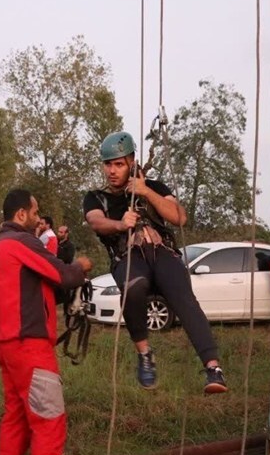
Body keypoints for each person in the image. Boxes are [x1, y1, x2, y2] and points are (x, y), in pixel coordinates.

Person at [82, 131, 228, 394]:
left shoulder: (156, 188)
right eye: (108, 164)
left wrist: (146, 191)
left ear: (131, 162)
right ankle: (145, 353)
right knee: (134, 287)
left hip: (162, 253)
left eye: (119, 164)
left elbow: (179, 217)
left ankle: (213, 368)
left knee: (184, 298)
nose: (112, 171)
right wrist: (118, 223)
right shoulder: (96, 197)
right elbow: (95, 220)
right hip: (129, 258)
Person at [0, 189, 92, 455]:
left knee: (16, 417)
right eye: (35, 211)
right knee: (49, 420)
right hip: (31, 346)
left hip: (7, 345)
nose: (38, 217)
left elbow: (36, 287)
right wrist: (82, 266)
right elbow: (61, 273)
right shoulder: (23, 242)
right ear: (21, 214)